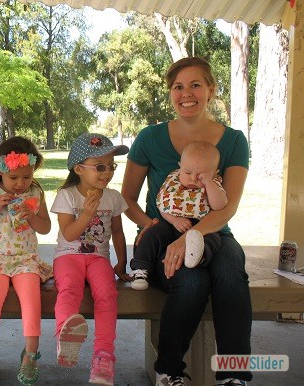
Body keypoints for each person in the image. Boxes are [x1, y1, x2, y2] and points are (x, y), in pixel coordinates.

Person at [121, 57, 252, 386]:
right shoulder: (150, 138)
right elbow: (127, 198)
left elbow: (228, 206)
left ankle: (233, 376)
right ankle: (168, 370)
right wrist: (148, 225)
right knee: (192, 283)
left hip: (216, 233)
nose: (186, 93)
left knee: (230, 272)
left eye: (196, 84)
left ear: (211, 89)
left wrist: (191, 234)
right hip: (164, 235)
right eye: (178, 86)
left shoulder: (234, 140)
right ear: (170, 93)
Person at [50, 133, 129, 386]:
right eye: (100, 167)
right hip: (68, 257)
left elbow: (117, 231)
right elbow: (69, 233)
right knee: (70, 289)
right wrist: (86, 213)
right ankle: (66, 335)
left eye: (111, 167)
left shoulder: (113, 197)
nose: (107, 173)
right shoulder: (67, 196)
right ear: (78, 169)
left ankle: (103, 357)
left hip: (98, 259)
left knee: (106, 294)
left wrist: (121, 262)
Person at [0, 137, 52, 385]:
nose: (20, 184)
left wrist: (31, 216)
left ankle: (30, 355)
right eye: (14, 178)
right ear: (0, 171)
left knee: (31, 297)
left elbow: (46, 228)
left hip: (24, 259)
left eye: (26, 177)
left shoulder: (35, 194)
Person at [129, 140, 226, 290]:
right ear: (180, 167)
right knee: (151, 234)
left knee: (213, 239)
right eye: (188, 172)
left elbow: (219, 206)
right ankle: (140, 270)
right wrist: (174, 220)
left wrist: (209, 184)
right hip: (171, 224)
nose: (193, 178)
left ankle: (197, 257)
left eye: (200, 175)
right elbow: (163, 205)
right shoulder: (173, 181)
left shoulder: (214, 184)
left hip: (201, 228)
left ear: (214, 173)